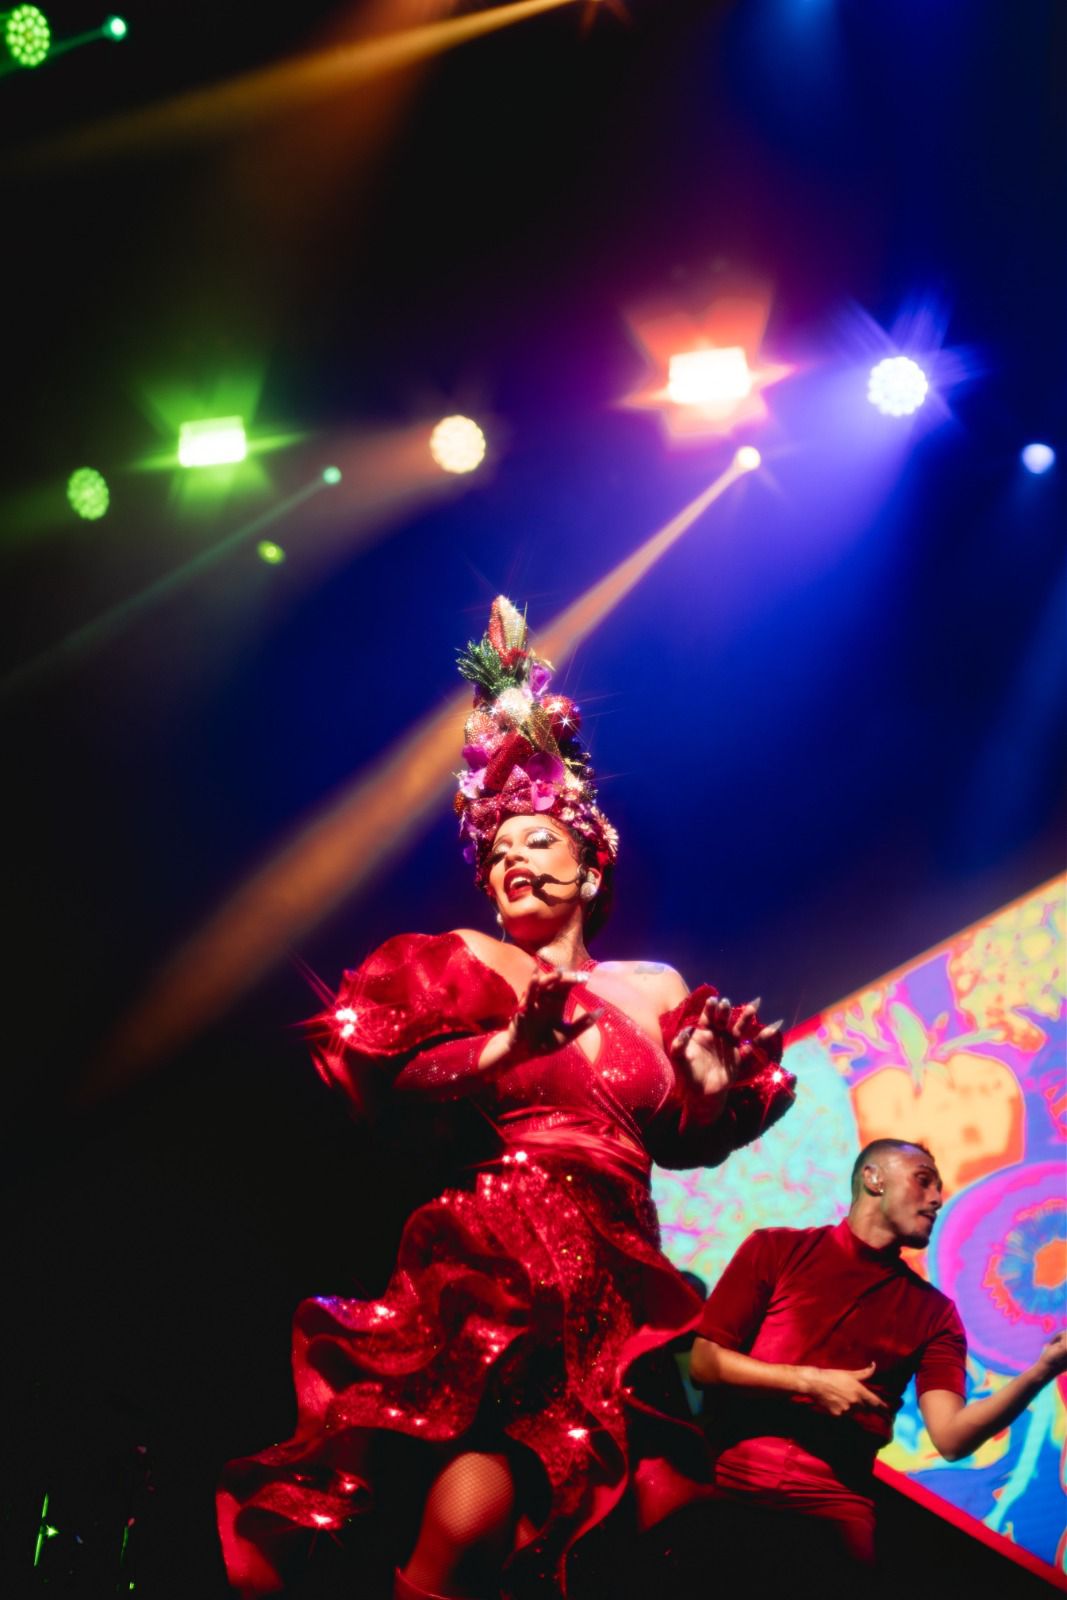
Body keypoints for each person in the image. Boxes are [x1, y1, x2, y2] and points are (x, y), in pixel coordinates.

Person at [216, 596, 796, 1599]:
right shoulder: (467, 961)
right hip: (506, 1248)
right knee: (475, 1506)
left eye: (532, 841)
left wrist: (714, 1099)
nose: (510, 862)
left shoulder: (651, 987)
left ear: (590, 862)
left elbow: (677, 1139)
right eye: (494, 854)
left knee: (643, 1518)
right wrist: (505, 1045)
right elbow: (395, 1080)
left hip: (620, 1263)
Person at [688, 1138, 1067, 1582]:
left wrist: (1042, 1371)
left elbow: (951, 1438)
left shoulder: (935, 1314)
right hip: (729, 1481)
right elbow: (705, 1363)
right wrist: (810, 1382)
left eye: (939, 1189)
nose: (937, 1199)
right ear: (874, 1179)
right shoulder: (775, 1249)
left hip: (833, 1511)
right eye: (923, 1181)